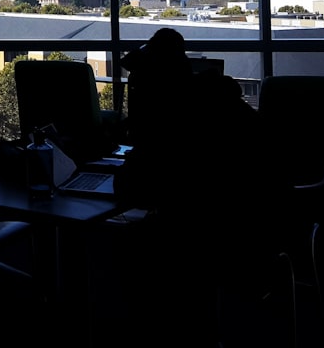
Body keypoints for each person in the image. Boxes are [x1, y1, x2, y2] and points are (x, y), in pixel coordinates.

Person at [113, 27, 289, 346]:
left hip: (213, 246)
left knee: (126, 249)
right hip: (258, 235)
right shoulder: (218, 106)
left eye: (139, 85)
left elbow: (130, 188)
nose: (135, 93)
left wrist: (140, 141)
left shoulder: (173, 123)